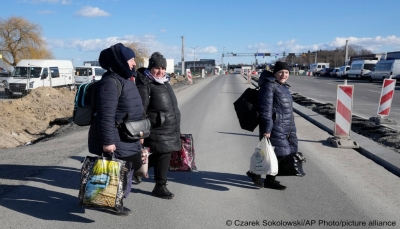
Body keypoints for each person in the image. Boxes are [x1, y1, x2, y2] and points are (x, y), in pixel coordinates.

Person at [87, 43, 144, 215]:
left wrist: (140, 133)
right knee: (117, 172)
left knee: (129, 168)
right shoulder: (110, 83)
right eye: (131, 60)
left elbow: (134, 110)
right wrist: (108, 142)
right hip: (117, 138)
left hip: (129, 135)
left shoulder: (125, 79)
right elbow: (106, 116)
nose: (134, 63)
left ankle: (113, 199)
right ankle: (112, 201)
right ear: (119, 61)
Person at [135, 52, 181, 199]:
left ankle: (136, 170)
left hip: (168, 126)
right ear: (150, 67)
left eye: (163, 68)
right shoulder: (145, 84)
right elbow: (141, 110)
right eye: (156, 68)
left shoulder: (165, 82)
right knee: (164, 153)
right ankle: (160, 186)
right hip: (156, 127)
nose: (160, 71)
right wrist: (140, 133)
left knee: (162, 154)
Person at [246, 61, 298, 190]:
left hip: (286, 126)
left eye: (286, 72)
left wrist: (292, 126)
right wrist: (267, 129)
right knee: (279, 153)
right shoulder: (269, 86)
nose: (283, 75)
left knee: (280, 153)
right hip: (275, 126)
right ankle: (258, 174)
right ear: (274, 73)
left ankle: (267, 178)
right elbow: (265, 109)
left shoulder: (283, 86)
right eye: (280, 72)